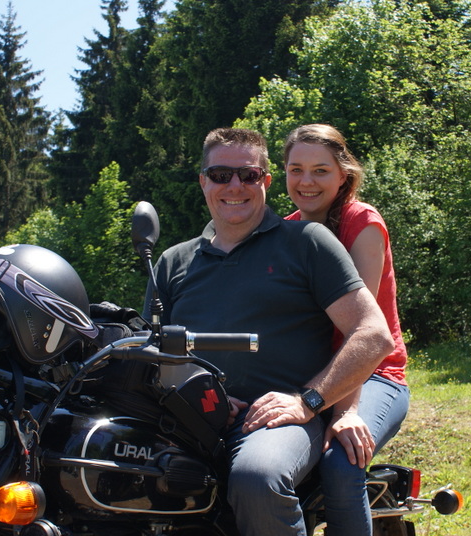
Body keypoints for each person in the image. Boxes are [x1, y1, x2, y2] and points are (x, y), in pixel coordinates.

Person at [146, 127, 394, 536]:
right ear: (203, 181)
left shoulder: (308, 242)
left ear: (265, 180)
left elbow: (372, 335)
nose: (235, 186)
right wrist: (194, 396)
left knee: (257, 477)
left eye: (248, 175)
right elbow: (151, 354)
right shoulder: (173, 262)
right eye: (221, 175)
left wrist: (308, 401)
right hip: (191, 419)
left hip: (277, 421)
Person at [283, 123, 410, 536]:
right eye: (296, 169)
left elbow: (362, 334)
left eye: (320, 170)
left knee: (341, 461)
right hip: (308, 376)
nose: (306, 181)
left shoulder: (362, 223)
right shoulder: (283, 231)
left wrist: (346, 412)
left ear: (343, 175)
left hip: (373, 374)